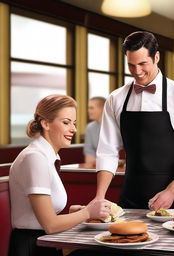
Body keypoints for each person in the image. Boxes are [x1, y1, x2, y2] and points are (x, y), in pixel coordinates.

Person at [94, 31, 174, 211]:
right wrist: (99, 197)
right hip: (130, 198)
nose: (137, 72)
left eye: (143, 63)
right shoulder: (116, 99)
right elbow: (107, 152)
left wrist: (170, 192)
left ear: (156, 57)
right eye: (131, 65)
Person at [8, 94, 110, 256]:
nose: (74, 129)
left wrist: (75, 213)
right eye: (66, 123)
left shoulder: (48, 156)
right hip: (32, 248)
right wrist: (88, 212)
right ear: (45, 124)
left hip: (44, 243)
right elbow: (50, 225)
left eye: (74, 123)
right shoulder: (35, 158)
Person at [83, 97, 106, 169]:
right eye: (88, 108)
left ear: (102, 108)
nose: (88, 111)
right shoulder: (90, 127)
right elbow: (88, 152)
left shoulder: (117, 125)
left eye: (91, 108)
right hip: (97, 166)